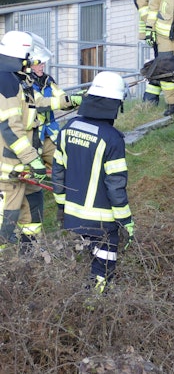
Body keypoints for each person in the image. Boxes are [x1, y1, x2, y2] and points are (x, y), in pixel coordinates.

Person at [52, 71, 134, 294]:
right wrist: (126, 221)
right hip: (102, 222)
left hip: (73, 217)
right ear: (114, 104)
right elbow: (116, 185)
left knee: (84, 261)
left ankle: (81, 301)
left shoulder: (67, 129)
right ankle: (94, 307)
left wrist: (61, 206)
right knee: (102, 268)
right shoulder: (112, 138)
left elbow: (58, 173)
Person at [0, 31, 48, 252]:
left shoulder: (13, 79)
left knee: (32, 208)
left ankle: (28, 259)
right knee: (5, 226)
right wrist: (34, 160)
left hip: (17, 165)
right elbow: (10, 128)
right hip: (8, 168)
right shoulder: (6, 82)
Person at [29, 34, 83, 169]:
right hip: (30, 137)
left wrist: (76, 99)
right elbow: (41, 103)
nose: (43, 65)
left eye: (43, 62)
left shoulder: (47, 81)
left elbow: (62, 98)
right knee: (29, 176)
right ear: (30, 64)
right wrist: (67, 100)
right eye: (39, 63)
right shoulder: (23, 84)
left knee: (65, 165)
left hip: (49, 135)